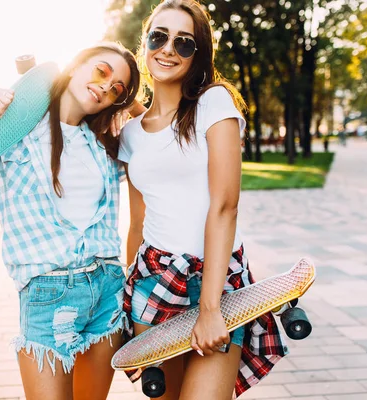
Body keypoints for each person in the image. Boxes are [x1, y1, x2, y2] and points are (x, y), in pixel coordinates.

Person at [0, 42, 141, 400]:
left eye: (117, 88)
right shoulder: (13, 135)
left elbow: (164, 133)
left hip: (106, 290)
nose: (106, 86)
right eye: (101, 71)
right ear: (75, 66)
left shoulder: (104, 144)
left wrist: (128, 102)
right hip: (47, 297)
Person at [117, 1, 288, 399]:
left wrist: (210, 309)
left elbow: (225, 206)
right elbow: (138, 224)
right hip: (155, 285)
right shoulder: (131, 135)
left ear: (198, 56)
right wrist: (126, 313)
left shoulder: (214, 103)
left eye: (184, 43)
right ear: (145, 44)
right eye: (158, 37)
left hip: (218, 284)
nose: (168, 49)